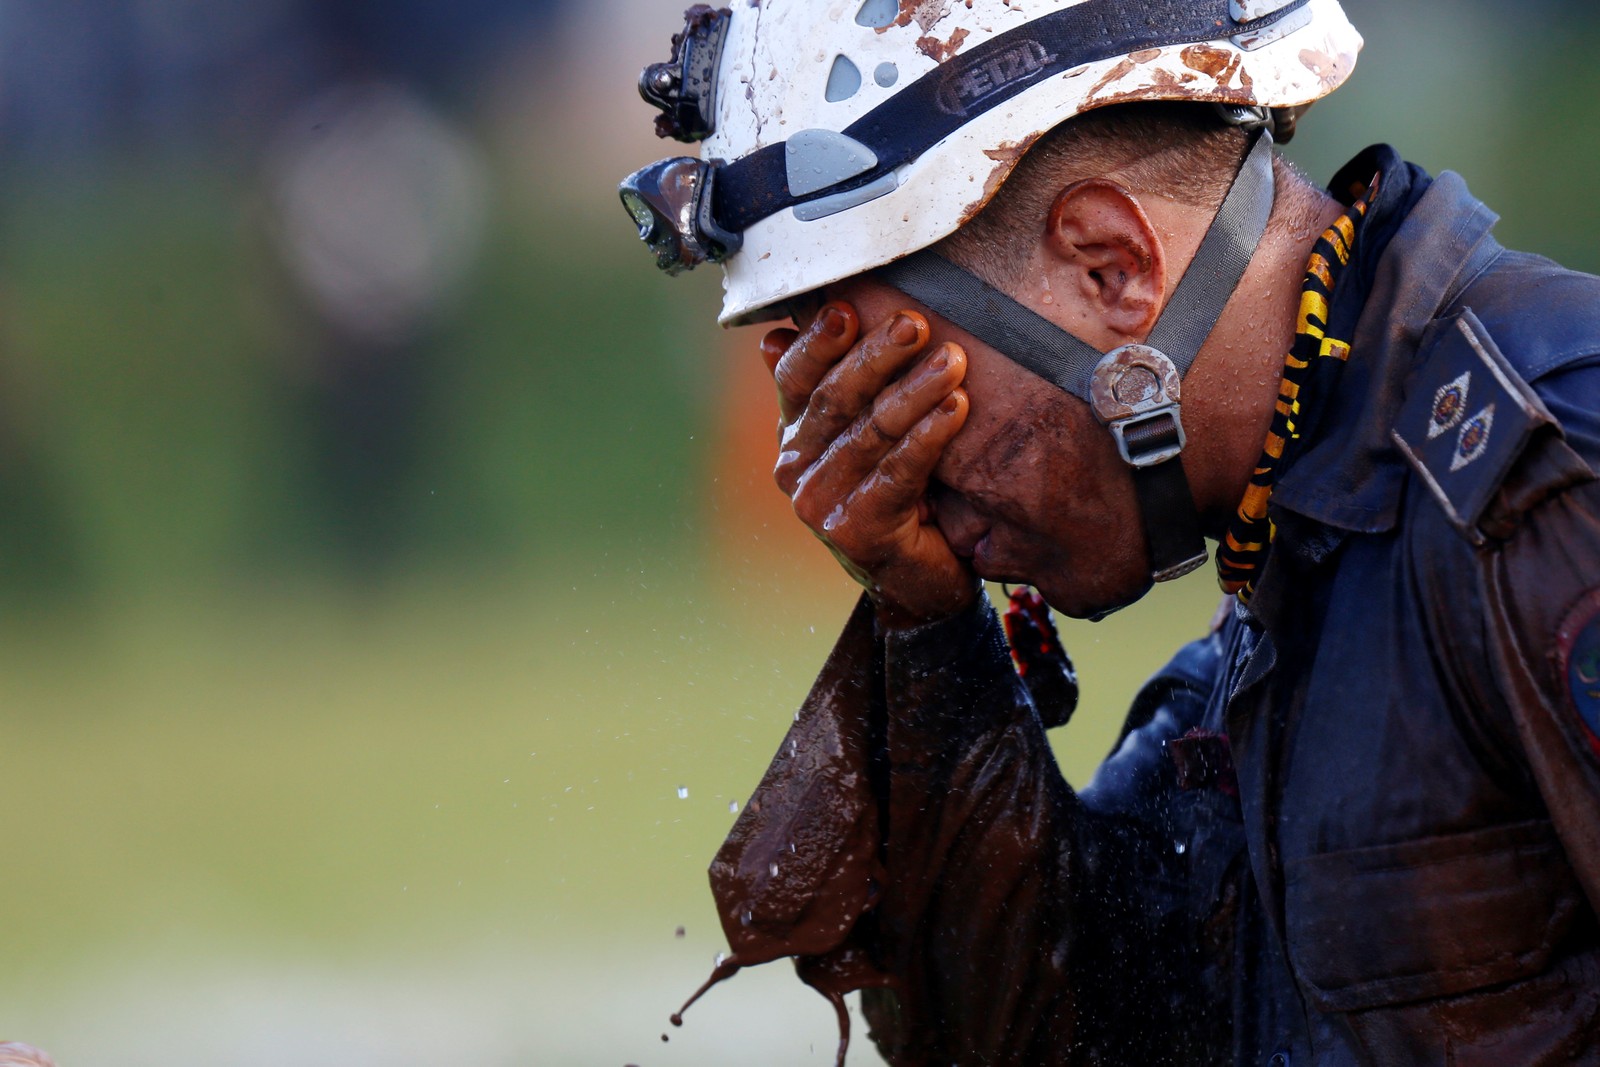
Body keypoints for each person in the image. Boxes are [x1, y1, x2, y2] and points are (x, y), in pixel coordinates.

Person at [620, 1, 1600, 1063]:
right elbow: (1054, 1037)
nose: (897, 486)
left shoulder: (1547, 480)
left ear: (1110, 265)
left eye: (897, 384)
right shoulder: (1292, 581)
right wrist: (927, 626)